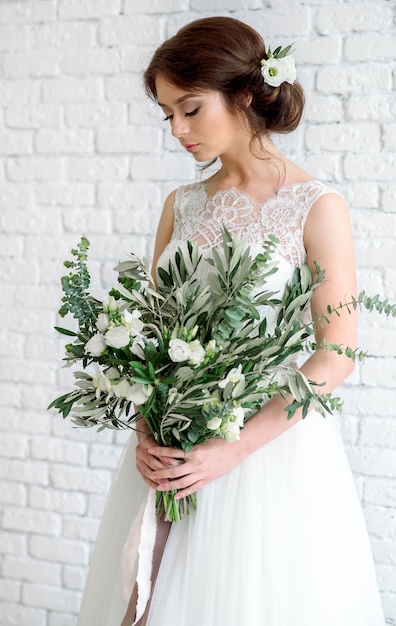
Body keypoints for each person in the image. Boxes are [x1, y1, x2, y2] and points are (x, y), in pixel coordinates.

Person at [76, 16, 385, 626]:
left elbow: (336, 353)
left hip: (266, 457)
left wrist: (230, 448)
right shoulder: (182, 204)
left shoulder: (316, 206)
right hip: (170, 452)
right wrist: (146, 426)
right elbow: (152, 334)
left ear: (244, 93)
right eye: (167, 115)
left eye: (189, 109)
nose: (177, 130)